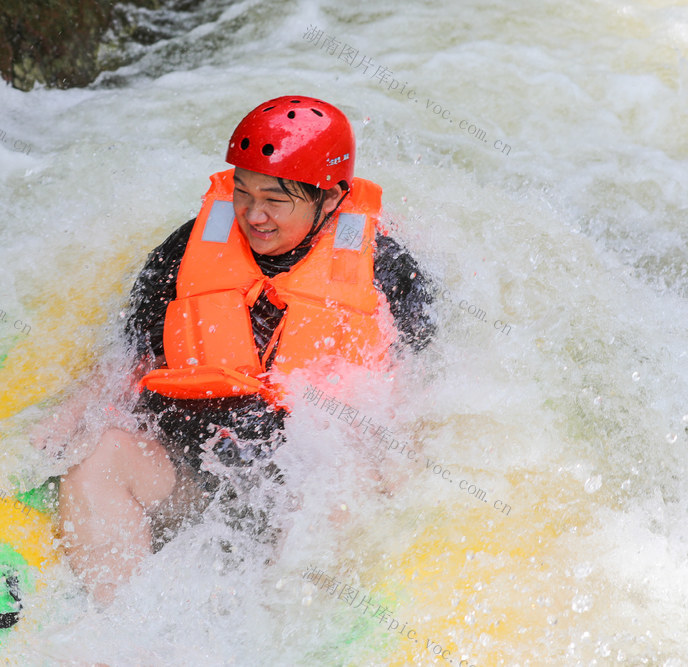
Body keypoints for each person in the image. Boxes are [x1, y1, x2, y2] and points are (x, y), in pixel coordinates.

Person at [35, 95, 435, 605]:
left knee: (342, 491)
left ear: (331, 197)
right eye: (242, 193)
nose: (253, 215)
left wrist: (400, 486)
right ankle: (126, 634)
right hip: (190, 478)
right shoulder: (189, 248)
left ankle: (280, 638)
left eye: (276, 199)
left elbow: (413, 393)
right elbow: (131, 354)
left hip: (303, 487)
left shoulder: (388, 271)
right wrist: (66, 419)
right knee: (99, 459)